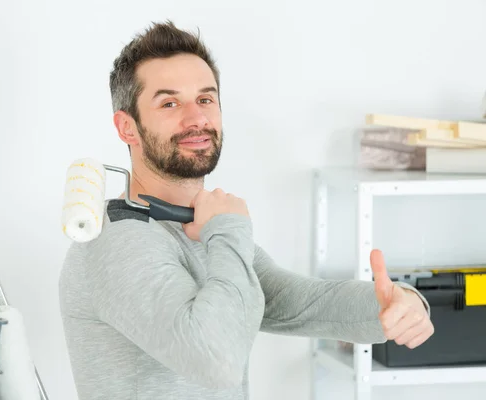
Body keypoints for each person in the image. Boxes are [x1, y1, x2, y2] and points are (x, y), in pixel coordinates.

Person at [58, 20, 434, 400]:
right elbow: (216, 360)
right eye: (169, 103)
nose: (196, 118)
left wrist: (397, 302)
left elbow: (296, 303)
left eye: (205, 99)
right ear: (127, 128)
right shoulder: (119, 240)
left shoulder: (196, 227)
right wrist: (228, 229)